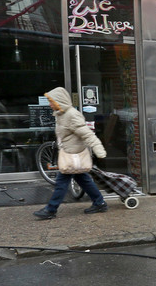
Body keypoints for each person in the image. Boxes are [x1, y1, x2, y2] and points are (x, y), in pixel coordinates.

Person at [34, 87, 108, 219]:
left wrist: (99, 150)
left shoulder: (72, 115)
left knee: (61, 183)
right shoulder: (60, 114)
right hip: (70, 153)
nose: (50, 104)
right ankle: (99, 202)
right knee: (83, 179)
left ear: (59, 101)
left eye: (51, 101)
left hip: (73, 155)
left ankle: (51, 210)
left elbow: (87, 134)